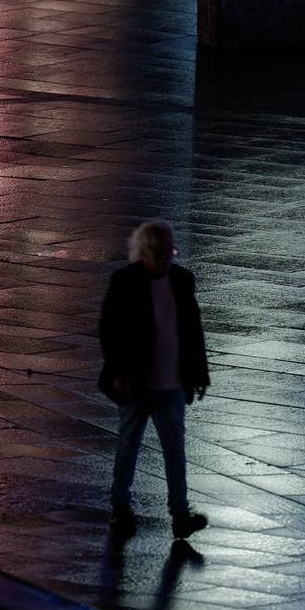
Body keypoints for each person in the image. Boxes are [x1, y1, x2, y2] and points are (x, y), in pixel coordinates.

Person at [98, 220, 210, 540]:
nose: (166, 259)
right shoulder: (125, 282)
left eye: (170, 252)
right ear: (144, 253)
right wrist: (119, 373)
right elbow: (110, 331)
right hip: (137, 384)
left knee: (174, 449)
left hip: (172, 383)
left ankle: (179, 513)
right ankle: (120, 504)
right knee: (129, 444)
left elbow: (192, 331)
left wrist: (198, 374)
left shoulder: (182, 280)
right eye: (160, 253)